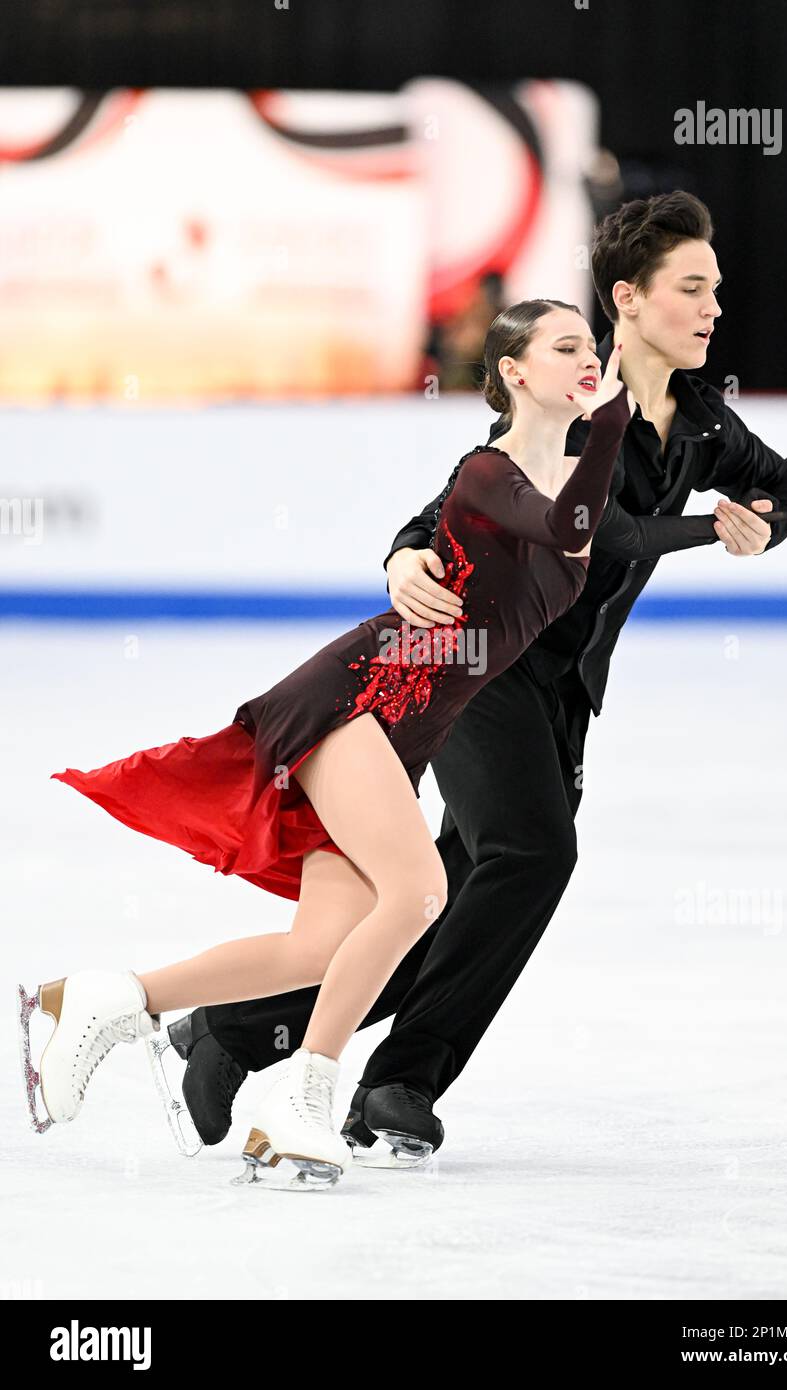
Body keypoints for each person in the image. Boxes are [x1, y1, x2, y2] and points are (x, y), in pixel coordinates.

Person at [165, 192, 787, 1162]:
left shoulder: (704, 429)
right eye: (690, 288)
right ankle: (398, 1082)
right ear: (626, 300)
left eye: (714, 288)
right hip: (477, 668)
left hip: (560, 699)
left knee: (441, 907)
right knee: (532, 853)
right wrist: (401, 560)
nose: (712, 306)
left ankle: (232, 1030)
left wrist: (759, 516)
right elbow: (493, 519)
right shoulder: (572, 406)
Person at [22, 298, 633, 1189]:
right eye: (567, 347)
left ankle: (106, 1001)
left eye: (593, 348)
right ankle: (304, 1097)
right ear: (514, 372)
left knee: (319, 947)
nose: (589, 361)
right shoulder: (488, 472)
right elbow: (567, 530)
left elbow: (586, 528)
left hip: (404, 730)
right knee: (421, 889)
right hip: (362, 697)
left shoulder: (559, 485)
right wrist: (611, 423)